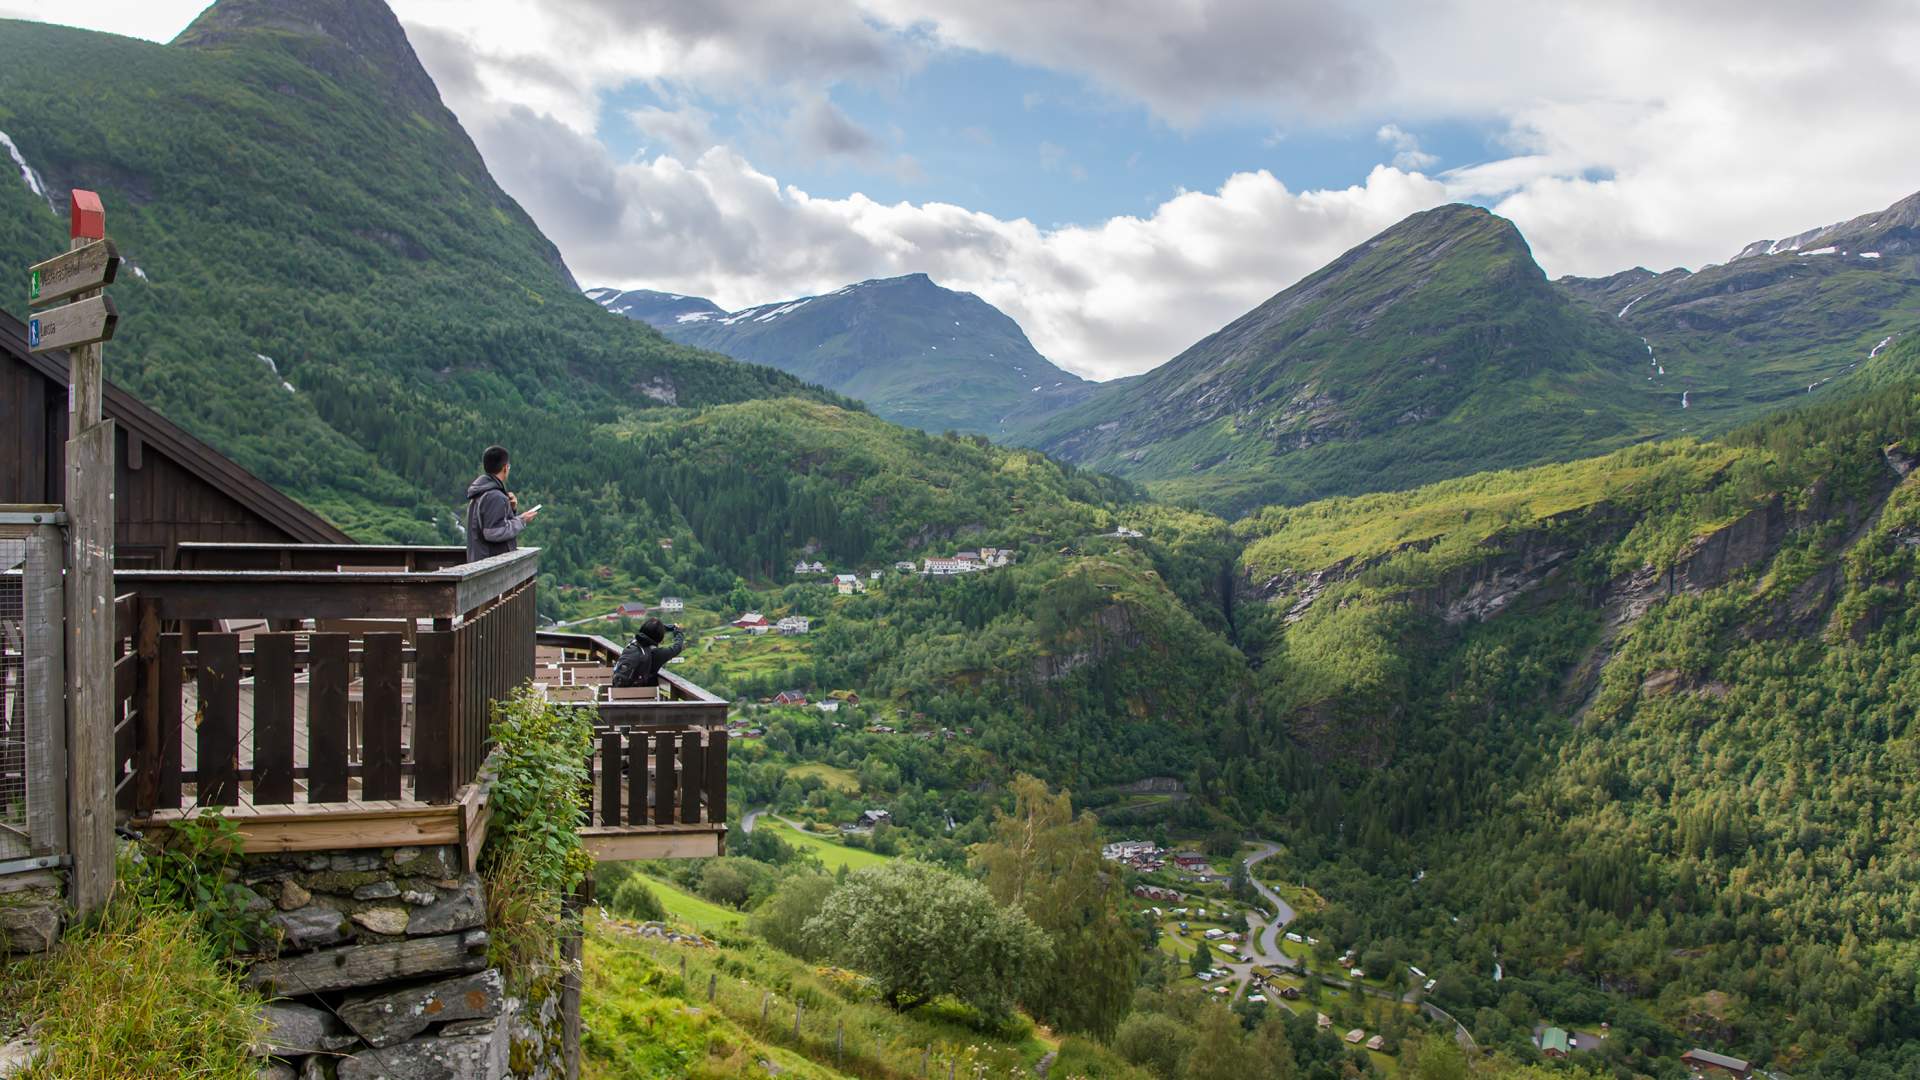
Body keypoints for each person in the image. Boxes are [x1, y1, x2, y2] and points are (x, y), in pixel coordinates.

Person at [464, 445, 538, 562]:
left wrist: (511, 509)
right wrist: (521, 520)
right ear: (505, 468)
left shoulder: (481, 492)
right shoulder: (494, 496)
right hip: (490, 565)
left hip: (480, 561)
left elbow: (490, 525)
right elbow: (494, 532)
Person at [612, 617, 686, 688]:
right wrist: (678, 632)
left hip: (617, 692)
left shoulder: (633, 643)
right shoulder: (658, 654)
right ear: (660, 637)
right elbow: (678, 647)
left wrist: (670, 627)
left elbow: (648, 630)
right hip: (643, 695)